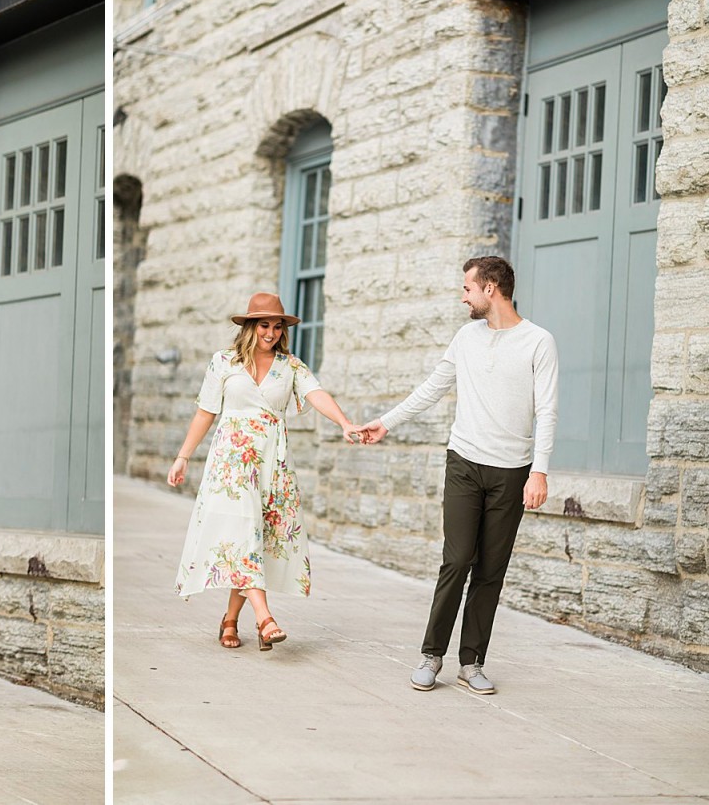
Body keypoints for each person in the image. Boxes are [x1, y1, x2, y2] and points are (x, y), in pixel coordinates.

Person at [356, 256, 558, 695]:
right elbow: (432, 387)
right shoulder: (466, 337)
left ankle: (472, 662)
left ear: (490, 289)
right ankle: (432, 655)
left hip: (512, 471)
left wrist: (538, 471)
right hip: (465, 462)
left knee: (490, 570)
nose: (462, 295)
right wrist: (386, 422)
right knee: (458, 559)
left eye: (468, 288)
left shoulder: (538, 342)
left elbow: (548, 410)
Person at [168, 292, 362, 650]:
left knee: (255, 538)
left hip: (272, 462)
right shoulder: (223, 362)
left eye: (276, 326)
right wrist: (183, 456)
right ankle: (264, 617)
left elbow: (317, 394)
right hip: (232, 462)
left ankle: (229, 620)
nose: (271, 332)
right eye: (263, 325)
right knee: (242, 529)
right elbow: (206, 412)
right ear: (249, 327)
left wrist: (345, 423)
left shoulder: (290, 366)